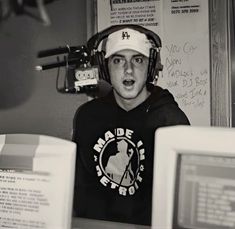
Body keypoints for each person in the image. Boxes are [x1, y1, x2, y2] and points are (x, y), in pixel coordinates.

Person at [72, 24, 190, 226]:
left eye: (138, 60)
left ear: (150, 67)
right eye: (118, 61)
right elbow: (80, 192)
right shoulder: (87, 117)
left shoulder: (171, 122)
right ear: (104, 68)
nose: (128, 70)